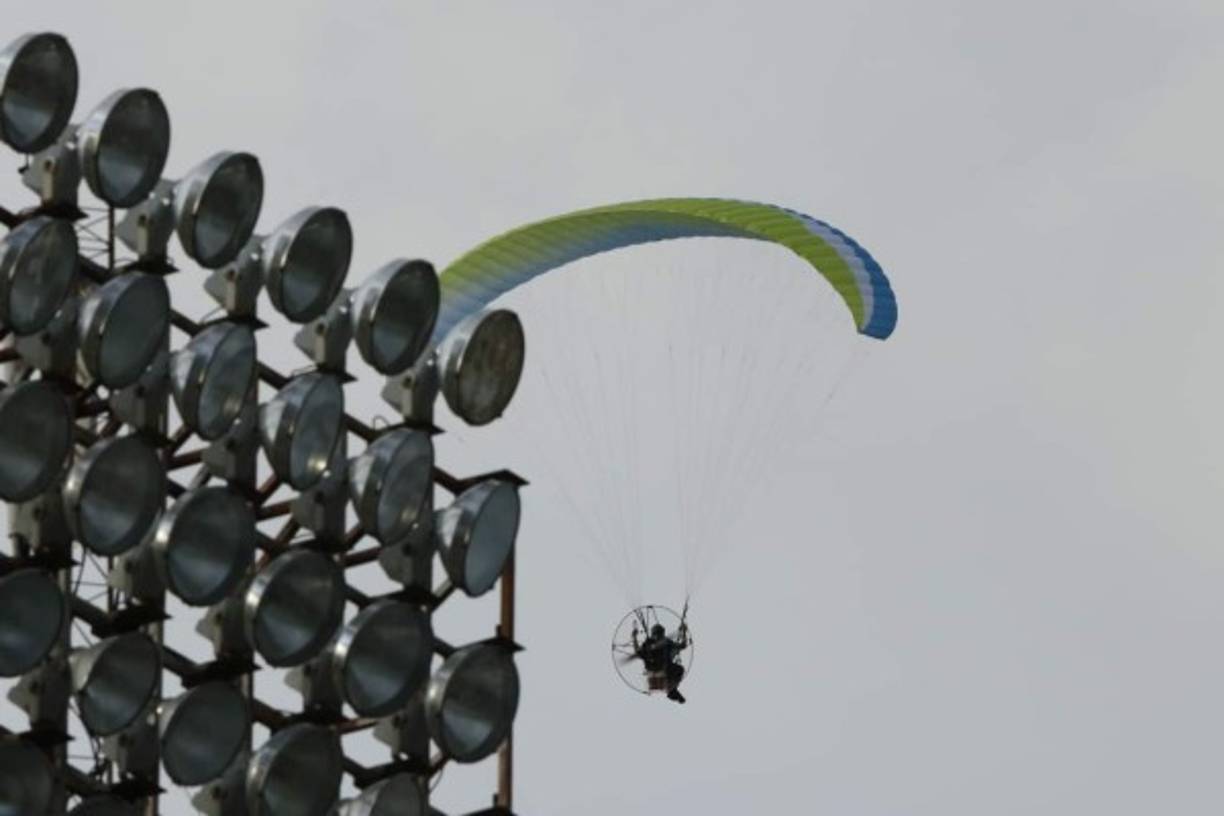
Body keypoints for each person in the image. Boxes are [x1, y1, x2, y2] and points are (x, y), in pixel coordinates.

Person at [633, 622, 688, 703]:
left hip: (662, 669)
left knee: (679, 669)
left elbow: (682, 645)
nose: (657, 636)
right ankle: (672, 690)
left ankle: (672, 690)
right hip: (657, 668)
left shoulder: (665, 642)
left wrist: (683, 632)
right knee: (679, 669)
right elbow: (639, 652)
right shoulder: (650, 643)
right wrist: (684, 632)